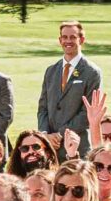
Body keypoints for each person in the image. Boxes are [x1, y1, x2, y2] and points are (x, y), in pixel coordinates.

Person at [36, 21, 100, 155]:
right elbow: (43, 108)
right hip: (51, 148)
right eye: (64, 37)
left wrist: (60, 135)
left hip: (77, 147)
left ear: (81, 39)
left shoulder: (92, 72)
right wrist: (45, 135)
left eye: (73, 37)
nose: (68, 41)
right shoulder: (51, 71)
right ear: (60, 40)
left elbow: (86, 113)